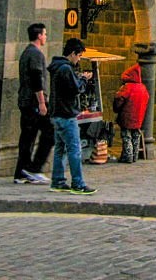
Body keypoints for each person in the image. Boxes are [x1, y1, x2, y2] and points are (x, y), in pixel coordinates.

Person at [47, 38, 96, 195]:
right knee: (74, 150)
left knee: (60, 149)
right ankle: (78, 183)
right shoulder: (65, 69)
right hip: (67, 114)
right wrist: (83, 79)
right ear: (73, 53)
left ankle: (58, 180)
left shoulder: (57, 67)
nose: (79, 59)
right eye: (79, 55)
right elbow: (76, 89)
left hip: (57, 114)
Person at [13, 23, 53, 184]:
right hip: (34, 102)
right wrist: (42, 102)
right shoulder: (36, 54)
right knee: (50, 132)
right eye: (44, 34)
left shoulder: (26, 53)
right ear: (39, 36)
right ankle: (34, 168)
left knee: (27, 137)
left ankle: (21, 172)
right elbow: (37, 78)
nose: (45, 37)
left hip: (25, 100)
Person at [112, 64, 149, 163]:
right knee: (136, 136)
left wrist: (116, 108)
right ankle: (135, 156)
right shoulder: (143, 88)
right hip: (138, 117)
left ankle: (128, 156)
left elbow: (119, 99)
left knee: (126, 136)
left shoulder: (127, 87)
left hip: (126, 116)